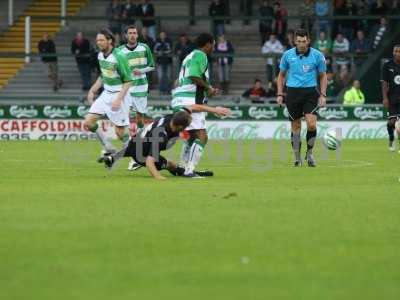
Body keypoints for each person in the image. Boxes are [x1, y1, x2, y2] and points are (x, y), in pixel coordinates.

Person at [171, 33, 231, 177]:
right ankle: (189, 170)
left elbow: (186, 80)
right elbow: (193, 75)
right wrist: (208, 88)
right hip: (189, 100)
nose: (214, 47)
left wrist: (209, 90)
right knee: (202, 136)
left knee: (192, 137)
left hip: (181, 98)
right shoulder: (201, 55)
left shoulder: (190, 56)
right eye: (213, 44)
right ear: (208, 44)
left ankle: (184, 167)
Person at [276, 29, 327, 167]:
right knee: (296, 126)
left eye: (304, 41)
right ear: (294, 41)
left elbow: (323, 76)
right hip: (292, 93)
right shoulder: (287, 55)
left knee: (311, 124)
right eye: (299, 41)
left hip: (310, 93)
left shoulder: (317, 55)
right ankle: (297, 158)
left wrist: (323, 94)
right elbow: (281, 76)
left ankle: (309, 153)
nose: (302, 44)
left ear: (308, 41)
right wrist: (280, 94)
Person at [101, 111, 193, 180]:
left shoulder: (171, 118)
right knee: (169, 163)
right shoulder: (161, 136)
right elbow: (149, 162)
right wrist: (158, 177)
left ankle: (112, 158)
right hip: (142, 156)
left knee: (135, 147)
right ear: (180, 127)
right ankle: (181, 171)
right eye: (186, 126)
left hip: (135, 142)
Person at [84, 29, 133, 159]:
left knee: (120, 133)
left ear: (110, 41)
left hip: (119, 94)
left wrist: (118, 99)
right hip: (106, 93)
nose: (98, 43)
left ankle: (136, 153)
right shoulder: (100, 55)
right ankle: (109, 148)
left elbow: (128, 81)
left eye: (101, 40)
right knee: (88, 122)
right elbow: (103, 75)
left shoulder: (119, 56)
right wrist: (93, 90)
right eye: (97, 40)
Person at [118, 25, 155, 170]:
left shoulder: (144, 48)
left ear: (137, 35)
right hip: (126, 88)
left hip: (141, 88)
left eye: (134, 33)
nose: (132, 35)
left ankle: (138, 146)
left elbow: (152, 66)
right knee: (125, 117)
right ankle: (130, 148)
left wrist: (142, 70)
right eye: (130, 33)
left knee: (140, 118)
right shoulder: (120, 51)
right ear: (126, 35)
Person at [381, 45, 400, 152]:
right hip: (392, 98)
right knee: (391, 123)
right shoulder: (387, 65)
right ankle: (391, 138)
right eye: (395, 51)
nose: (397, 53)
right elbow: (384, 83)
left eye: (399, 51)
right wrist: (385, 98)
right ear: (393, 52)